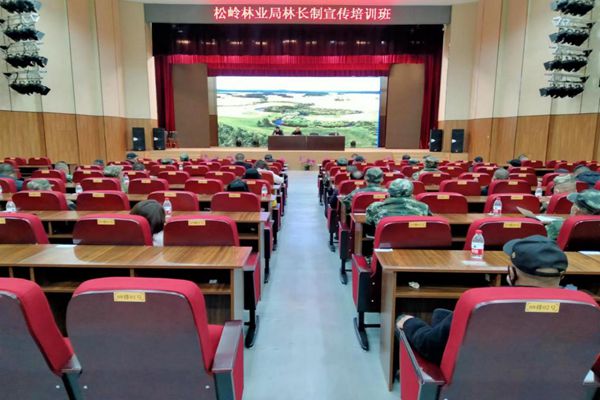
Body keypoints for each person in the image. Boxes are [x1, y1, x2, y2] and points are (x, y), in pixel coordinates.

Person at [396, 235, 569, 365]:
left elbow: (430, 347)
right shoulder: (581, 310)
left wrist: (409, 323)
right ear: (562, 276)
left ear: (511, 273)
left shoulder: (482, 305)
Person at [365, 179, 431, 226]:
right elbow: (429, 224)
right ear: (411, 191)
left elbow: (369, 223)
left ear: (390, 191)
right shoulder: (424, 207)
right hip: (415, 240)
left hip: (385, 241)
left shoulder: (376, 207)